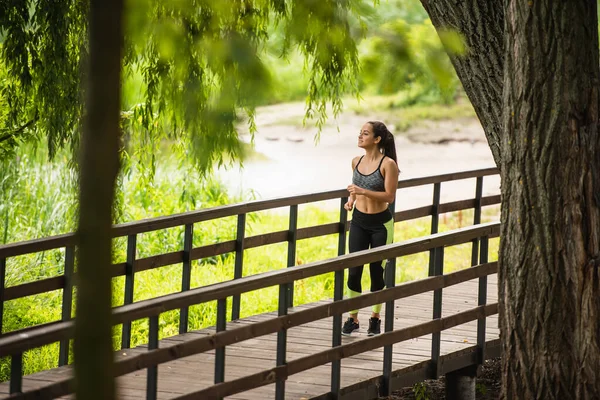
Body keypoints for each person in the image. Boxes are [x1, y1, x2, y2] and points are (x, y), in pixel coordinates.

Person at [342, 121, 399, 336]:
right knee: (354, 269)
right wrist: (351, 200)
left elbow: (389, 196)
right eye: (360, 133)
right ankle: (353, 318)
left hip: (380, 225)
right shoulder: (356, 161)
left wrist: (362, 191)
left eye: (365, 134)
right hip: (358, 221)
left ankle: (375, 319)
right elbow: (355, 189)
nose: (360, 136)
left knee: (377, 270)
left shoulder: (388, 164)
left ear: (377, 139)